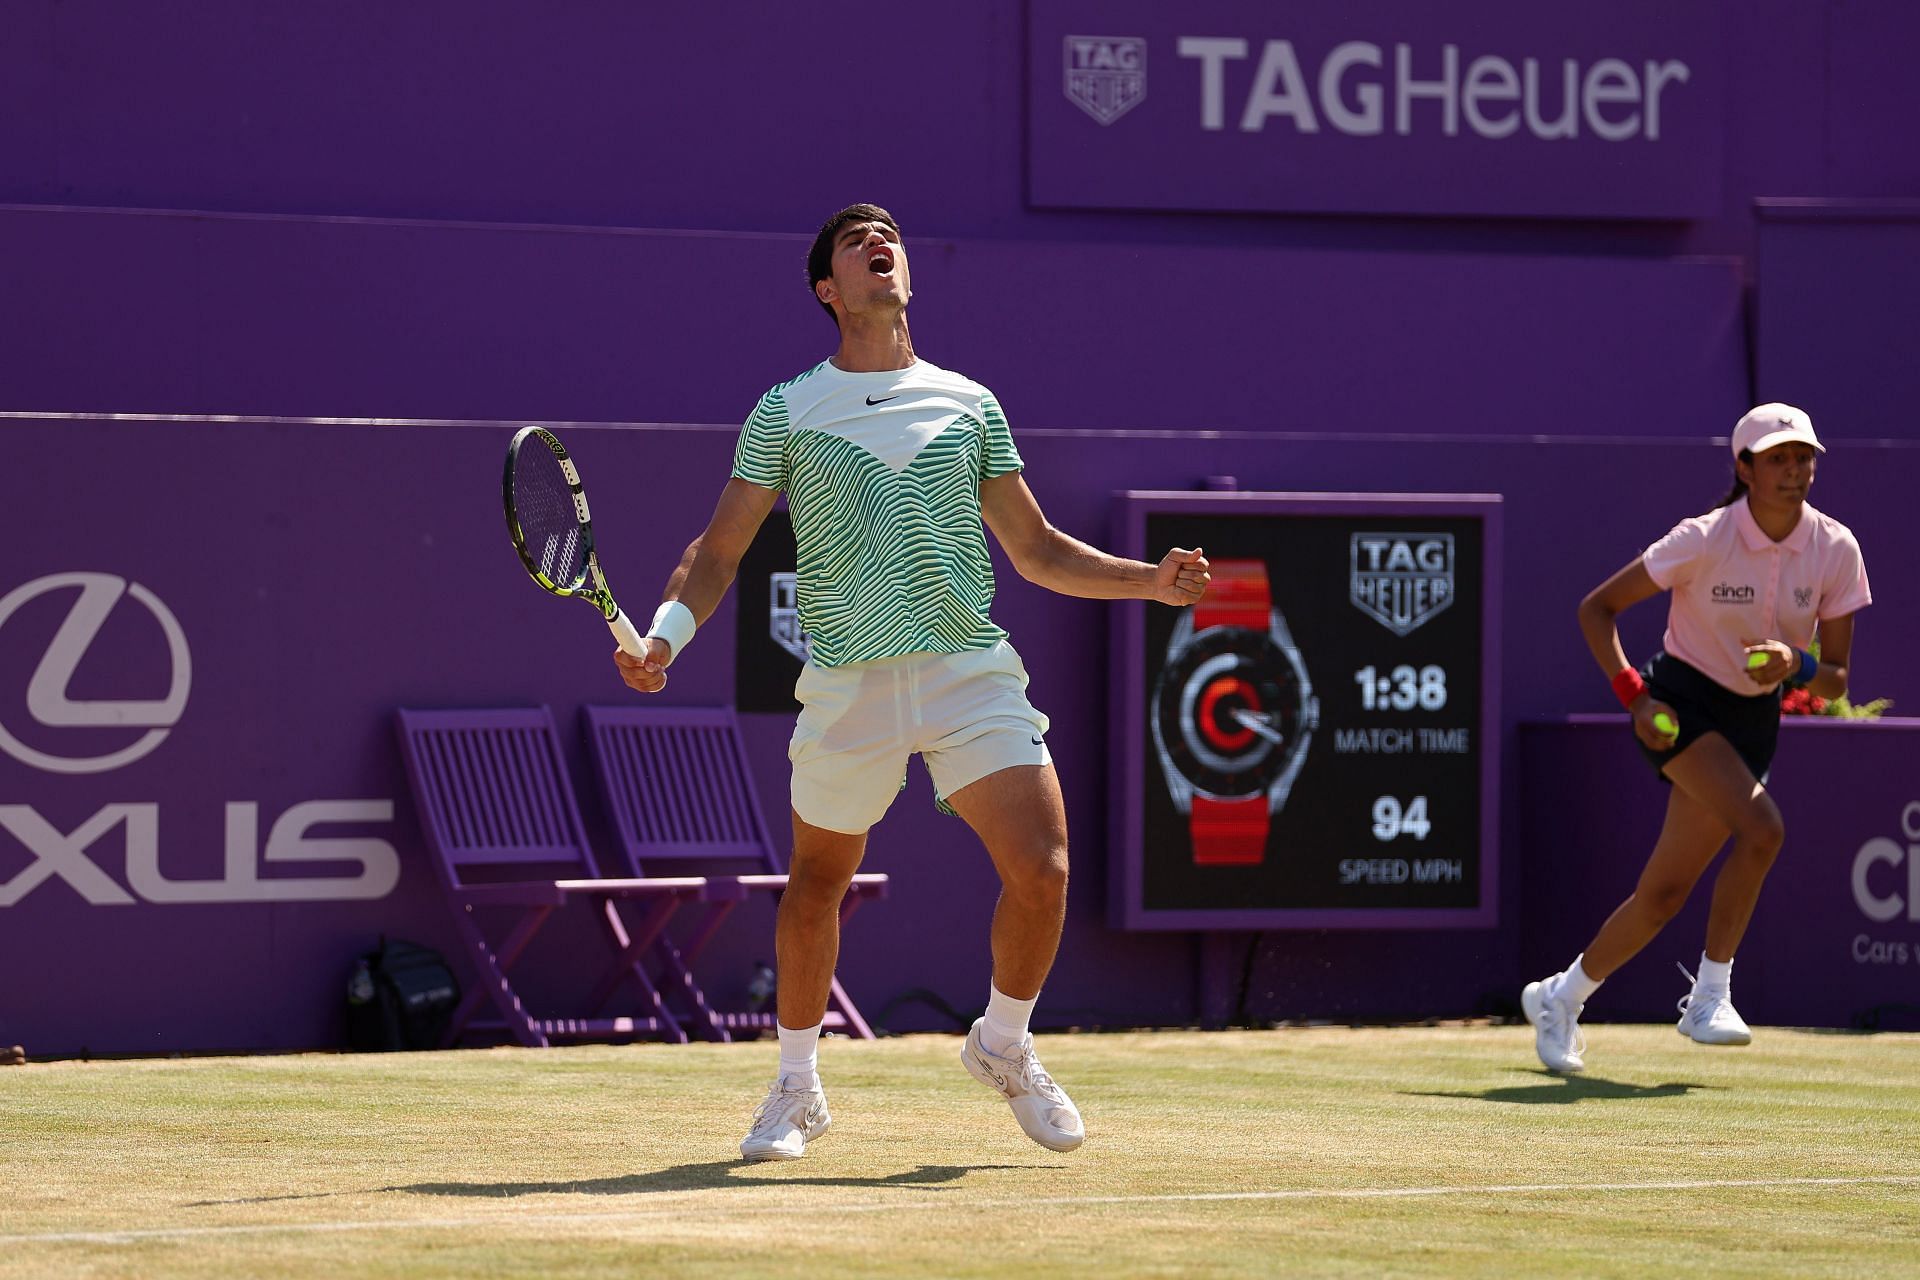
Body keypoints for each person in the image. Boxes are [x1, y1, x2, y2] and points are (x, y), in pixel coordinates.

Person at [613, 203, 1211, 1158]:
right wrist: (665, 633)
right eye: (853, 241)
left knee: (1045, 871)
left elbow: (1039, 549)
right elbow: (718, 550)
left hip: (965, 669)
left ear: (904, 276)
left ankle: (1004, 1045)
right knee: (817, 883)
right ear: (828, 288)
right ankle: (797, 1085)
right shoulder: (788, 408)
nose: (875, 242)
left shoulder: (970, 403)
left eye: (885, 234)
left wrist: (1151, 583)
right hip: (850, 683)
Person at [1522, 403, 1871, 1073]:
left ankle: (1559, 999)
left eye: (1803, 457)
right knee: (1764, 829)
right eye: (1778, 458)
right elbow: (1598, 609)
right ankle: (1711, 995)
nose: (1795, 469)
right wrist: (1634, 697)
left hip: (1753, 718)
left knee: (1663, 895)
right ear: (1744, 468)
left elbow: (1835, 681)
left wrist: (1794, 665)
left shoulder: (1836, 549)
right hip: (1680, 705)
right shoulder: (1703, 538)